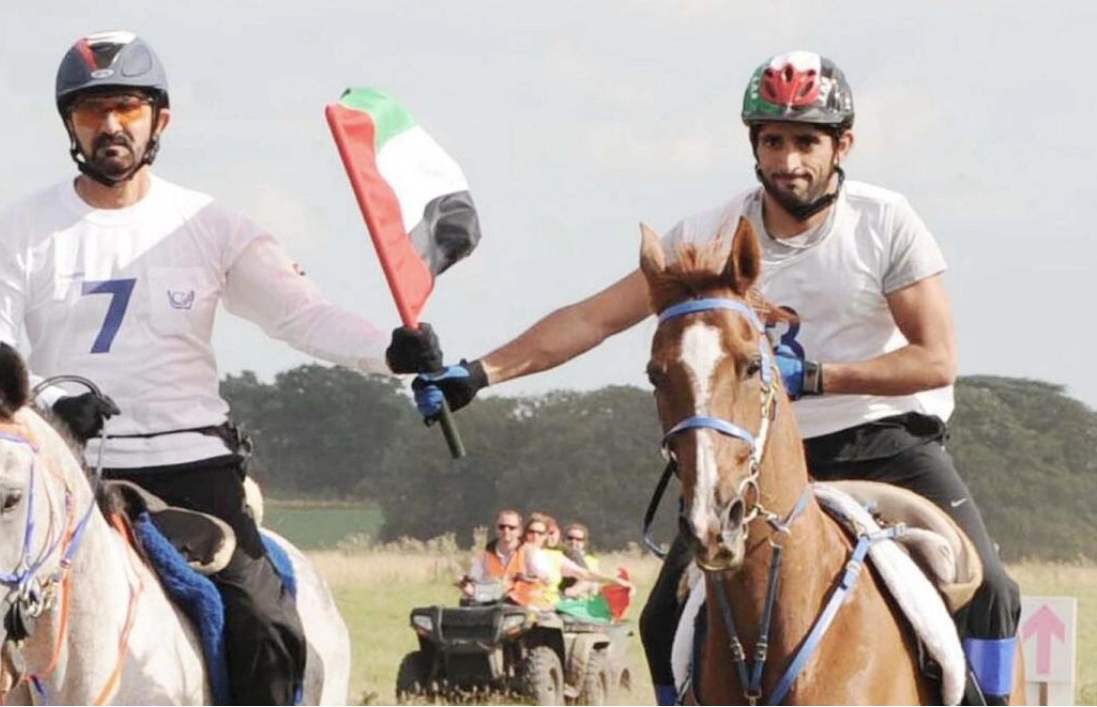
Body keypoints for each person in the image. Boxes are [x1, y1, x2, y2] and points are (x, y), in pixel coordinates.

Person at [401, 50, 1019, 707]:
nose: (789, 160)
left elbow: (934, 358)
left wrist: (813, 376)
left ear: (843, 144)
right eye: (773, 140)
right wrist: (478, 372)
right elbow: (590, 318)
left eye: (806, 141)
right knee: (661, 615)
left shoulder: (886, 222)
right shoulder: (707, 234)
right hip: (753, 462)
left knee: (993, 592)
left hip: (887, 445)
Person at [0, 30, 437, 707]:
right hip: (70, 475)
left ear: (160, 120)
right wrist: (52, 400)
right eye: (92, 111)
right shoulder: (19, 231)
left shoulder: (211, 224)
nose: (111, 126)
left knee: (265, 624)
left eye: (127, 107)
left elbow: (301, 313)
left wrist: (388, 350)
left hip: (193, 470)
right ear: (70, 123)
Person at [458, 509, 524, 601]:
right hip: (492, 605)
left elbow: (542, 582)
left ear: (520, 531)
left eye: (511, 527)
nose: (506, 530)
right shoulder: (484, 557)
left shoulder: (530, 554)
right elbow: (473, 583)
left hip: (523, 606)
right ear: (496, 529)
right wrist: (466, 586)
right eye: (502, 527)